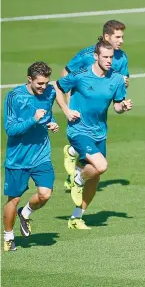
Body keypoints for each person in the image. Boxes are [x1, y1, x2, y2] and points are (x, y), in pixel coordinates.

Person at [53, 40, 132, 230]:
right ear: (96, 56)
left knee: (95, 176)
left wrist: (123, 107)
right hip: (78, 129)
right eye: (105, 57)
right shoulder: (80, 75)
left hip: (99, 132)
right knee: (101, 166)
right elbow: (55, 86)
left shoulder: (117, 79)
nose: (109, 61)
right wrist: (65, 110)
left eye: (111, 57)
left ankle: (76, 217)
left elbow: (117, 106)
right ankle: (77, 178)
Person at [62, 20, 129, 191]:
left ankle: (73, 156)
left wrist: (123, 86)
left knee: (93, 167)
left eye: (123, 37)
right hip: (80, 116)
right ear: (107, 36)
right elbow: (66, 74)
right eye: (118, 37)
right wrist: (69, 105)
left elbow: (119, 84)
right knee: (98, 163)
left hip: (99, 119)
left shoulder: (122, 58)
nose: (121, 41)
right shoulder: (87, 55)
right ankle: (76, 168)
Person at [3, 62, 59, 251]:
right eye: (40, 84)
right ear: (29, 79)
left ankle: (25, 213)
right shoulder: (14, 97)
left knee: (45, 194)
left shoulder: (50, 92)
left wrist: (52, 123)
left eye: (46, 83)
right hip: (18, 158)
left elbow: (47, 115)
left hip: (41, 154)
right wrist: (33, 119)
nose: (44, 87)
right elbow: (10, 129)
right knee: (13, 198)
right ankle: (9, 236)